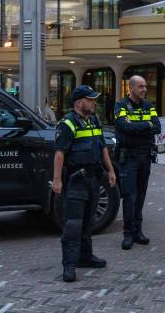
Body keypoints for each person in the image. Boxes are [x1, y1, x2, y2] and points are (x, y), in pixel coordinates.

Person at [52, 85, 117, 282]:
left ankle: (85, 257)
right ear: (79, 102)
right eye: (91, 100)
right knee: (73, 224)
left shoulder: (94, 120)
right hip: (76, 180)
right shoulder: (68, 124)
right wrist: (56, 180)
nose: (94, 103)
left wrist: (111, 170)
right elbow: (60, 153)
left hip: (94, 179)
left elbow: (103, 147)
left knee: (89, 221)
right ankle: (69, 265)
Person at [114, 75, 160, 250]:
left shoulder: (149, 105)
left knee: (141, 195)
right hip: (128, 157)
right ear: (131, 88)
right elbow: (124, 128)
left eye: (145, 86)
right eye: (140, 87)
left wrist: (138, 125)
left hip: (145, 156)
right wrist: (145, 125)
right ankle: (128, 234)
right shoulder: (121, 105)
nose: (144, 90)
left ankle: (138, 231)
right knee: (129, 196)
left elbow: (157, 127)